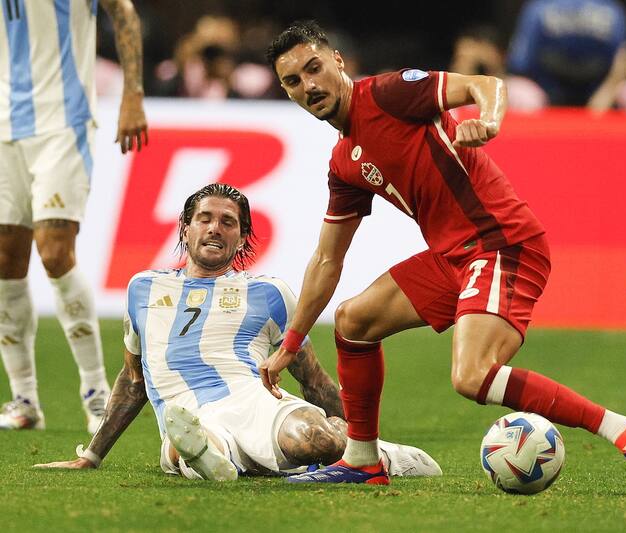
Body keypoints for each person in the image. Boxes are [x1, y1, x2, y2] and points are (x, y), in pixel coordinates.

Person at [262, 20, 626, 485]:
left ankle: (625, 429)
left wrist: (488, 121)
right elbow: (327, 261)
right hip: (454, 256)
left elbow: (484, 84)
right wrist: (290, 346)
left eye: (313, 68)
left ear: (337, 62)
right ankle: (362, 460)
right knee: (353, 322)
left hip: (501, 242)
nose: (308, 85)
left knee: (471, 376)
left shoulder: (389, 94)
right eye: (293, 81)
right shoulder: (344, 161)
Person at [34, 184, 441, 481]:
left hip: (255, 400)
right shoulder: (143, 287)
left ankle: (377, 454)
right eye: (205, 219)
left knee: (314, 438)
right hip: (187, 412)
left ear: (242, 237)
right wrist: (92, 455)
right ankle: (209, 457)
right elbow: (134, 380)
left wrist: (361, 441)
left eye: (228, 222)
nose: (215, 228)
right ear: (185, 230)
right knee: (187, 445)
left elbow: (313, 380)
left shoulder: (269, 293)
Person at [0, 0, 149, 434]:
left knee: (54, 252)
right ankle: (24, 400)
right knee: (6, 262)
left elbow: (123, 13)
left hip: (63, 124)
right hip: (5, 124)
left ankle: (96, 393)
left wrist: (132, 95)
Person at [506, 0, 626, 106]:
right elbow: (519, 65)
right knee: (519, 93)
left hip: (598, 90)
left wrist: (607, 92)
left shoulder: (613, 11)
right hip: (545, 92)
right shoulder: (538, 8)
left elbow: (624, 59)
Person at [450, 25, 548, 112]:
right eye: (461, 57)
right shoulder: (447, 96)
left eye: (484, 53)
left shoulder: (524, 91)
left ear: (501, 54)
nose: (475, 59)